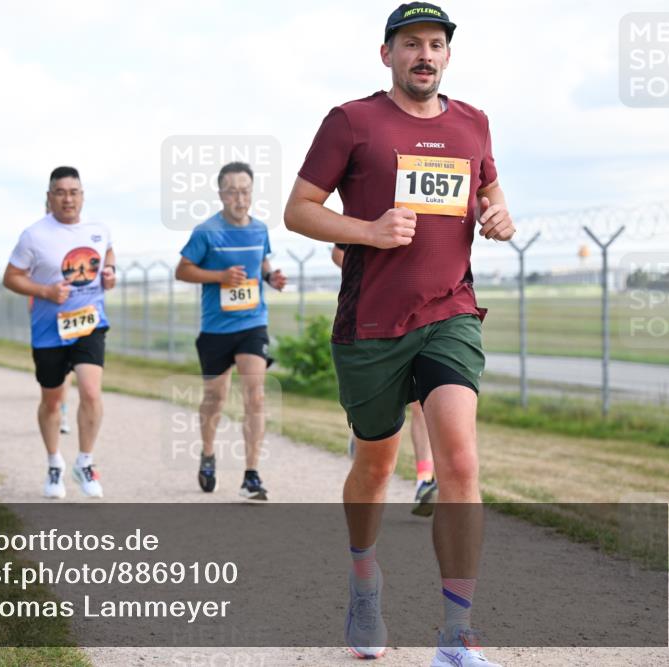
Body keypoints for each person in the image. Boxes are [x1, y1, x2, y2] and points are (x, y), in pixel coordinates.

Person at [283, 3, 515, 664]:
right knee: (375, 464)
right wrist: (367, 231)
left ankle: (457, 633)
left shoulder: (474, 123)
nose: (425, 54)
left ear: (447, 55)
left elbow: (494, 196)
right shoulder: (352, 121)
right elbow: (298, 209)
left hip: (451, 313)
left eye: (436, 44)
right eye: (411, 43)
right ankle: (364, 583)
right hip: (372, 325)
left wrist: (500, 217)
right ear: (385, 54)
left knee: (461, 460)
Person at [175, 161, 287, 501]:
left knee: (255, 394)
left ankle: (251, 474)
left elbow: (261, 262)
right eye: (233, 191)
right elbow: (183, 271)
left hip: (252, 322)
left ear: (252, 192)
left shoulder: (260, 229)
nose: (240, 197)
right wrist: (219, 276)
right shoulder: (206, 232)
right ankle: (208, 453)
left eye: (245, 190)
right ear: (221, 194)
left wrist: (271, 278)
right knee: (216, 398)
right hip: (215, 328)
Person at [3, 166, 116, 499]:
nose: (68, 198)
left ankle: (85, 461)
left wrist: (109, 271)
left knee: (91, 392)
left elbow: (107, 251)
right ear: (49, 197)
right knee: (52, 402)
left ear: (82, 196)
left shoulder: (99, 229)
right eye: (61, 192)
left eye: (74, 192)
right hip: (49, 328)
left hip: (89, 322)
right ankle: (54, 462)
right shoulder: (34, 235)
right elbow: (11, 277)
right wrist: (45, 292)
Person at [332, 243, 438, 516]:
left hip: (427, 313)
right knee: (380, 416)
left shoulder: (435, 205)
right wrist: (381, 276)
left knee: (423, 402)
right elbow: (338, 251)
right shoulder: (370, 204)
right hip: (376, 318)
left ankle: (425, 480)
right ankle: (366, 437)